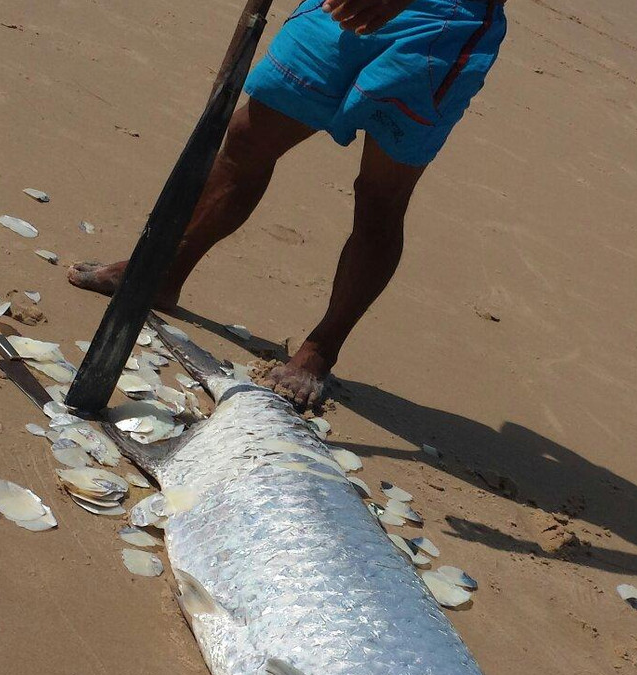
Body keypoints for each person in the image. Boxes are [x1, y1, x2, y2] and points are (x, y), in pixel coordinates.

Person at [69, 0, 507, 409]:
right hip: (338, 8)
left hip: (442, 21)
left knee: (380, 196)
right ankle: (165, 273)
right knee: (247, 139)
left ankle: (320, 349)